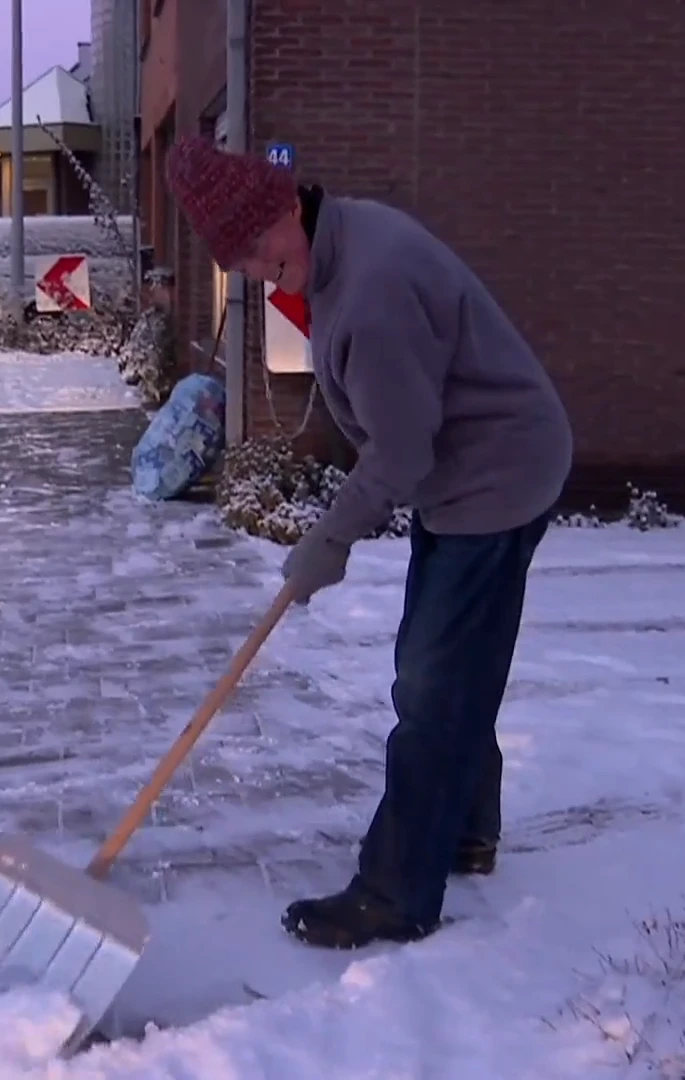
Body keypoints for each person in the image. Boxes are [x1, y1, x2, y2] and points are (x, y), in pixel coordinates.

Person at [165, 136, 574, 950]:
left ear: (286, 206)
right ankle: (463, 828)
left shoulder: (372, 286)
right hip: (467, 470)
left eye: (255, 248)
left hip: (492, 478)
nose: (251, 269)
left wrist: (331, 537)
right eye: (235, 259)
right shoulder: (342, 240)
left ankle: (395, 891)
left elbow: (401, 450)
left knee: (432, 686)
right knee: (454, 663)